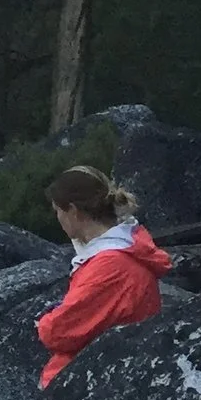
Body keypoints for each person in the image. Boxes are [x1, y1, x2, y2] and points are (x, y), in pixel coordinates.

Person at [37, 166, 171, 387]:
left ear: (73, 211)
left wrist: (44, 320)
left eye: (58, 211)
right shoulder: (120, 251)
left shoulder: (110, 265)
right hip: (102, 374)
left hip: (90, 384)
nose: (58, 218)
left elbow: (59, 332)